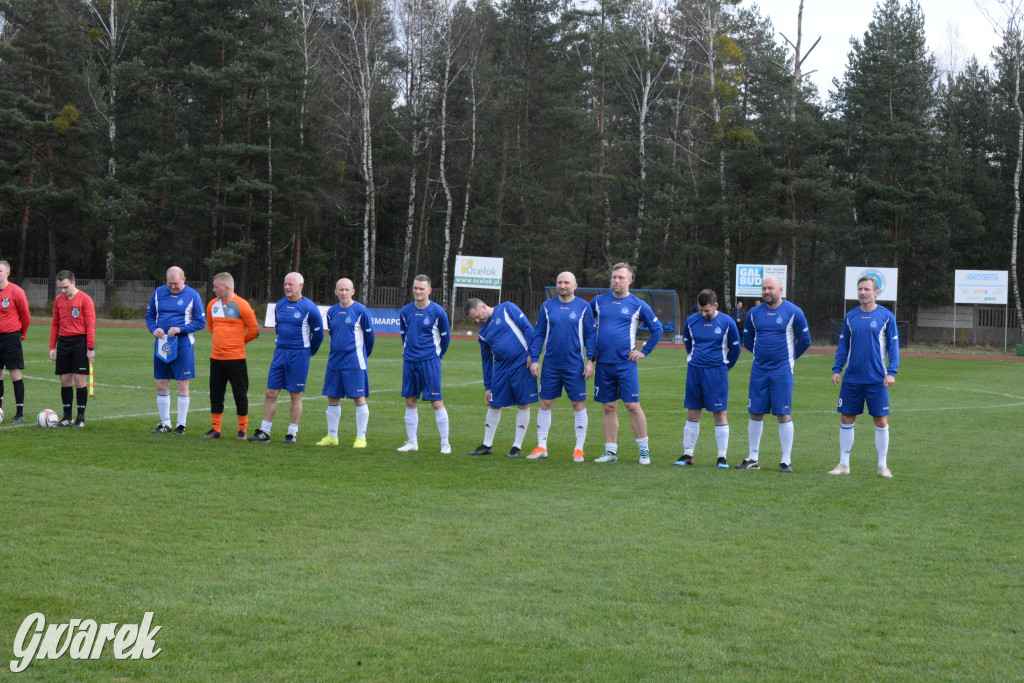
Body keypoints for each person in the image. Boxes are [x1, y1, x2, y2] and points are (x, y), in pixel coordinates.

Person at [590, 262, 664, 464]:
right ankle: (610, 452)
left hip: (625, 364)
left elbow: (657, 329)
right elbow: (586, 324)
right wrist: (590, 352)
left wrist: (644, 352)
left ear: (629, 281)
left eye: (621, 277)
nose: (616, 280)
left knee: (632, 406)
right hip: (603, 364)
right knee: (608, 407)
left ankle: (644, 451)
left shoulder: (638, 305)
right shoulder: (598, 301)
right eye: (614, 277)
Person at [736, 277, 811, 473]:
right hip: (759, 370)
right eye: (764, 288)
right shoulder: (754, 313)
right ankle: (753, 458)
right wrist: (761, 355)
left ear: (780, 289)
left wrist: (790, 357)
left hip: (782, 371)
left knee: (783, 413)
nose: (767, 291)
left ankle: (785, 460)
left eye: (770, 288)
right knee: (755, 412)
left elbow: (805, 340)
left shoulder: (793, 311)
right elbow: (748, 338)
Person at [829, 275, 899, 478]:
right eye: (860, 289)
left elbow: (894, 347)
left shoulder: (886, 317)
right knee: (846, 417)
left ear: (875, 292)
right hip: (852, 378)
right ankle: (843, 464)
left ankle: (882, 466)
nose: (862, 292)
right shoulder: (850, 317)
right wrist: (837, 369)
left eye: (867, 289)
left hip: (877, 378)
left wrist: (891, 371)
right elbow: (843, 345)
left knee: (880, 421)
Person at [527, 272, 595, 462]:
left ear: (575, 285)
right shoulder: (547, 306)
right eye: (559, 282)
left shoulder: (583, 307)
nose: (563, 285)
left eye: (566, 282)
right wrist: (534, 358)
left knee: (578, 404)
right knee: (545, 403)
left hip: (575, 365)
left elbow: (590, 335)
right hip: (551, 365)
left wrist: (591, 359)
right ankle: (541, 446)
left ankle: (579, 449)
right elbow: (539, 333)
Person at [249, 272, 323, 443]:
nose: (287, 287)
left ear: (300, 286)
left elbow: (318, 335)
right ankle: (265, 432)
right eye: (285, 284)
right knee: (270, 392)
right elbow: (278, 328)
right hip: (280, 352)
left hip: (299, 354)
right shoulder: (280, 305)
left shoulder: (310, 308)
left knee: (294, 394)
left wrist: (308, 352)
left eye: (291, 284)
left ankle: (292, 433)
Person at [465, 298, 538, 458]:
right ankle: (486, 445)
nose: (477, 321)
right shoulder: (483, 333)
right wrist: (487, 386)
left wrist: (533, 355)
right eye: (474, 319)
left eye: (477, 316)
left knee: (523, 404)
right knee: (494, 404)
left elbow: (528, 329)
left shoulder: (507, 308)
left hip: (521, 364)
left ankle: (516, 447)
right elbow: (486, 361)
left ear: (483, 306)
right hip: (500, 369)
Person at [675, 289, 741, 468]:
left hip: (716, 372)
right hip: (695, 371)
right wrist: (696, 359)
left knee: (719, 414)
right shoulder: (691, 321)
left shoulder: (727, 322)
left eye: (707, 311)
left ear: (716, 306)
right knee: (693, 413)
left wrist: (724, 367)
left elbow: (736, 349)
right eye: (700, 310)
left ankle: (722, 457)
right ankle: (688, 454)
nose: (703, 314)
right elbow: (689, 344)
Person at [146, 266, 206, 435]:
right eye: (170, 283)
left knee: (182, 383)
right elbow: (150, 315)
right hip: (161, 345)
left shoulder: (193, 295)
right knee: (161, 383)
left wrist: (180, 329)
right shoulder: (158, 293)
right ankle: (165, 423)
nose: (172, 287)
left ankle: (181, 424)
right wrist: (153, 329)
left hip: (183, 345)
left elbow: (201, 322)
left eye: (176, 284)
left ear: (184, 280)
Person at [316, 278, 374, 448]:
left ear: (353, 291)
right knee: (333, 398)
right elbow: (333, 334)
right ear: (335, 292)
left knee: (358, 397)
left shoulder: (361, 311)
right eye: (340, 290)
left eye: (346, 290)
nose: (343, 293)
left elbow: (369, 339)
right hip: (335, 362)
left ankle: (361, 438)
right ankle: (332, 436)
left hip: (354, 362)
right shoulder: (332, 312)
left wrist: (362, 355)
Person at [397, 275, 451, 453]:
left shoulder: (438, 312)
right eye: (415, 288)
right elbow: (404, 336)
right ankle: (412, 442)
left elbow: (445, 340)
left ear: (429, 290)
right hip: (410, 362)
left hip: (430, 363)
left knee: (436, 402)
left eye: (421, 288)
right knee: (410, 401)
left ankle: (445, 443)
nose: (418, 291)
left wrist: (434, 356)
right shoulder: (405, 311)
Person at [204, 272, 259, 440]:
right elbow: (211, 328)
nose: (214, 290)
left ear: (227, 287)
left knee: (240, 394)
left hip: (236, 359)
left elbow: (254, 331)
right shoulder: (212, 305)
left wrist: (238, 343)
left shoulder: (242, 305)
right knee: (215, 394)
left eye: (216, 287)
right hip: (216, 359)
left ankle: (242, 429)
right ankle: (215, 429)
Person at [48, 270, 96, 427]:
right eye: (60, 287)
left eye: (65, 287)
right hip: (63, 343)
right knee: (65, 380)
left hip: (80, 342)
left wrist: (90, 348)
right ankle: (67, 416)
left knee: (80, 380)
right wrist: (52, 346)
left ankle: (80, 417)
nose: (63, 291)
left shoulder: (85, 299)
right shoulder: (58, 300)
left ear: (73, 283)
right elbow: (55, 323)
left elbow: (90, 326)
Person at [0, 260, 30, 423]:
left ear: (7, 273)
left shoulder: (16, 292)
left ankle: (19, 413)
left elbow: (25, 316)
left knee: (14, 373)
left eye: (0, 271)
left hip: (11, 337)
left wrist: (21, 335)